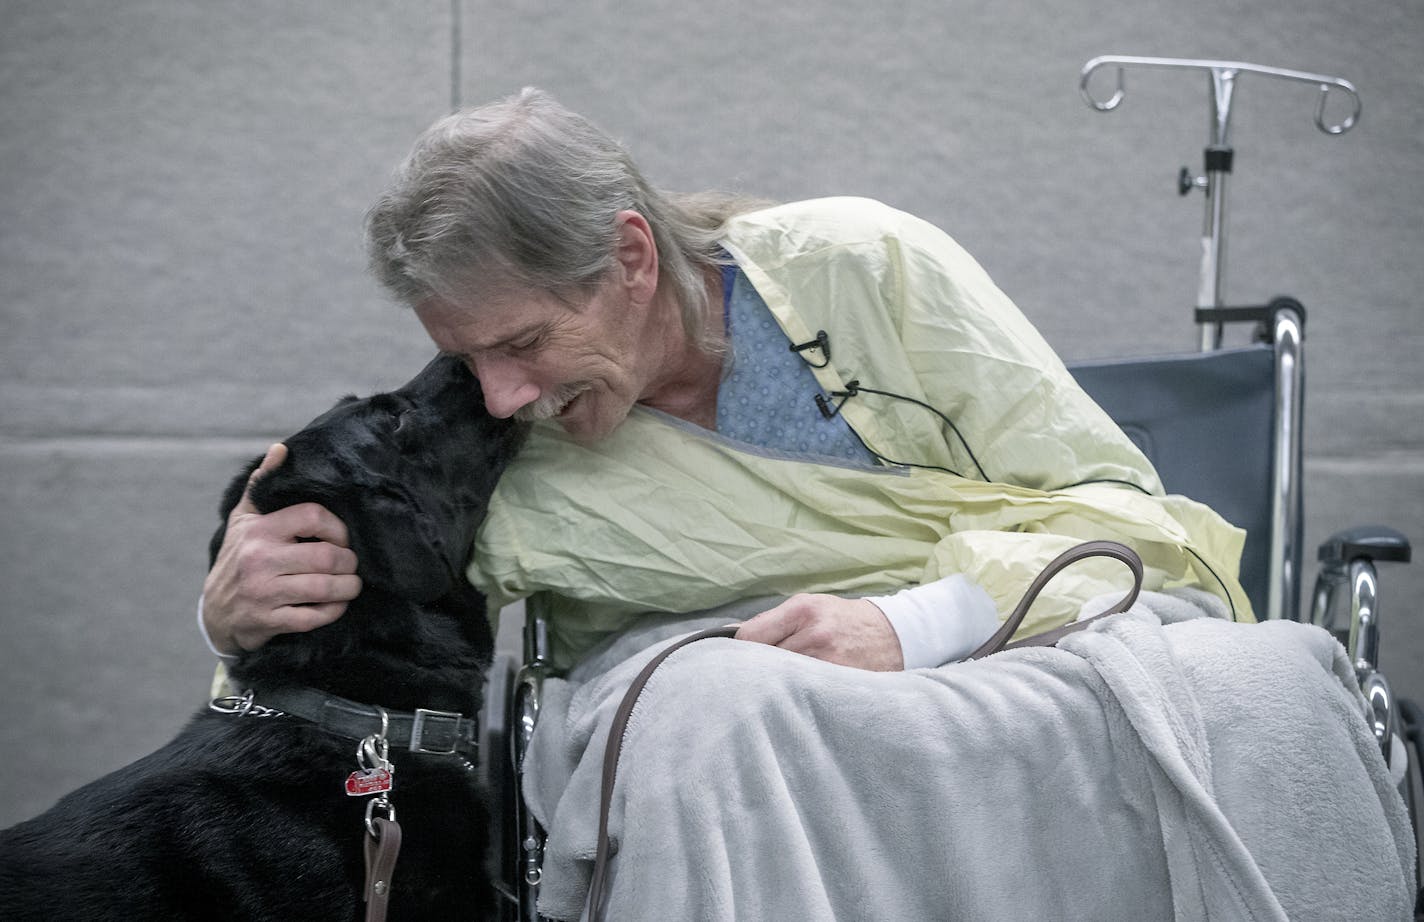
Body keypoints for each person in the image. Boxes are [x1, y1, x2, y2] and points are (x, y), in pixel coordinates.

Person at [205, 89, 1401, 920]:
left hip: (996, 641)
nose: (501, 392)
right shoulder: (501, 436)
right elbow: (345, 605)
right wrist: (233, 607)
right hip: (746, 703)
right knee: (709, 716)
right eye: (469, 362)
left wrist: (911, 628)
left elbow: (1118, 513)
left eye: (522, 341)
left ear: (629, 256)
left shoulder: (859, 266)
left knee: (1274, 681)